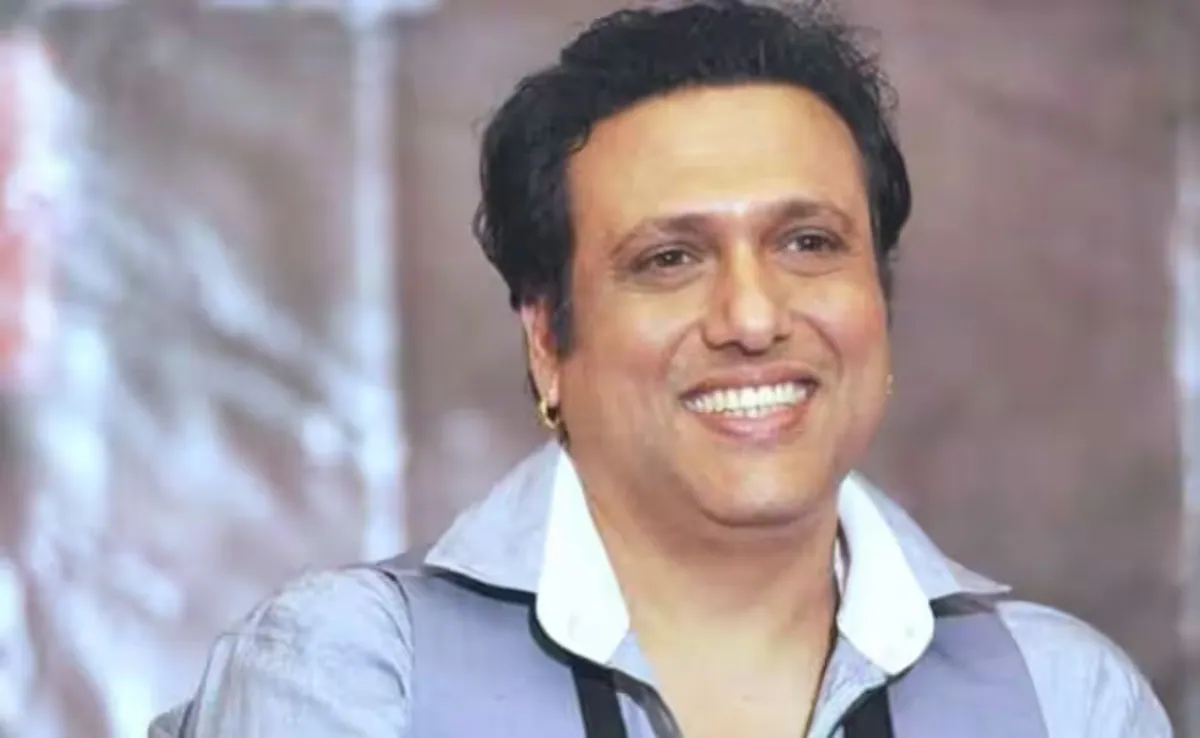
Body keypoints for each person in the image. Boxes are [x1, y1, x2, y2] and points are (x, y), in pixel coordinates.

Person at [149, 1, 1173, 736]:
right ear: (547, 340)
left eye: (809, 243)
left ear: (880, 304)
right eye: (669, 259)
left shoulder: (1064, 699)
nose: (753, 317)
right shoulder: (357, 673)